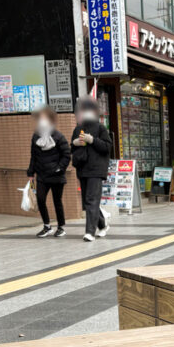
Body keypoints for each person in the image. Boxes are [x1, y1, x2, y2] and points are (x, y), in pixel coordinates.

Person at [70, 96, 112, 242]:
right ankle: (102, 222)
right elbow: (72, 149)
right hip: (82, 169)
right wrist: (75, 143)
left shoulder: (101, 128)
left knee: (91, 199)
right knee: (88, 201)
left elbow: (107, 147)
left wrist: (92, 140)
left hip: (96, 170)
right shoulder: (77, 129)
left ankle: (90, 232)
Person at [27, 106, 71, 238]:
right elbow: (33, 156)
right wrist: (30, 173)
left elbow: (67, 154)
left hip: (56, 175)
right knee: (40, 199)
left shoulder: (58, 136)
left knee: (57, 201)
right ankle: (47, 226)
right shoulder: (35, 137)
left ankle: (61, 227)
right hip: (42, 175)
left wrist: (59, 168)